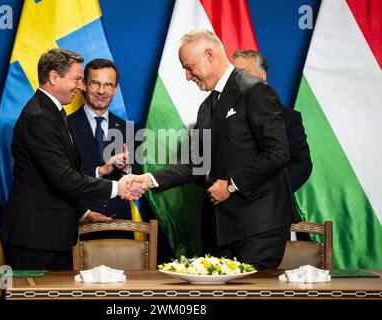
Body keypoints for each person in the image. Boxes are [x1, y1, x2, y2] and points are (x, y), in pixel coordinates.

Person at [136, 30, 298, 269]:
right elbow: (195, 164)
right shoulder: (205, 107)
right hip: (221, 227)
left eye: (189, 67)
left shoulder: (255, 91)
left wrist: (231, 185)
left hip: (259, 226)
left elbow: (278, 153)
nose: (188, 77)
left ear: (209, 55)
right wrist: (147, 180)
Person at [0, 48, 144, 270]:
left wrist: (83, 212)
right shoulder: (40, 117)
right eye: (77, 79)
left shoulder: (52, 113)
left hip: (52, 235)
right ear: (54, 77)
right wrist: (116, 187)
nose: (80, 85)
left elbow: (57, 177)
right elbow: (63, 177)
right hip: (36, 237)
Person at [232, 50, 312, 240]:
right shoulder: (218, 114)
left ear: (262, 76)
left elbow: (302, 164)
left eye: (243, 72)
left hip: (271, 216)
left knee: (268, 270)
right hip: (228, 214)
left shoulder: (289, 117)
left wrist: (269, 192)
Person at [68, 58, 140, 221]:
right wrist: (100, 171)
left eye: (108, 85)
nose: (101, 91)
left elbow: (138, 175)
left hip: (120, 222)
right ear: (84, 85)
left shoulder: (127, 128)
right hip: (79, 221)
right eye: (95, 83)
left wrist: (125, 168)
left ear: (115, 89)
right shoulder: (66, 125)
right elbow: (61, 177)